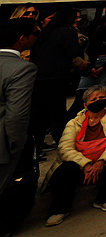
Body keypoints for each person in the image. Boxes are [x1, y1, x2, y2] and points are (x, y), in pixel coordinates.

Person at [41, 85, 106, 226]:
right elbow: (64, 148)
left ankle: (104, 198)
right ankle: (60, 209)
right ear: (85, 104)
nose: (98, 101)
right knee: (65, 169)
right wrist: (86, 164)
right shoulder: (74, 122)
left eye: (102, 97)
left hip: (103, 165)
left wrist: (101, 161)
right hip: (81, 167)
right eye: (93, 99)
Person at [0, 18, 39, 236]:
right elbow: (17, 115)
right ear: (22, 39)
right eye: (34, 34)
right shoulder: (22, 69)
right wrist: (15, 147)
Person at [29, 9, 85, 158]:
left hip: (39, 78)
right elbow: (73, 52)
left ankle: (35, 148)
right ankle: (65, 146)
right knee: (58, 114)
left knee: (40, 115)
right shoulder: (66, 33)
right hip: (56, 78)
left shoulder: (45, 33)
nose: (77, 20)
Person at [72, 13, 106, 115]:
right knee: (81, 95)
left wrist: (103, 68)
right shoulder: (97, 33)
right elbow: (89, 51)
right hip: (93, 63)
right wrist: (91, 67)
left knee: (102, 96)